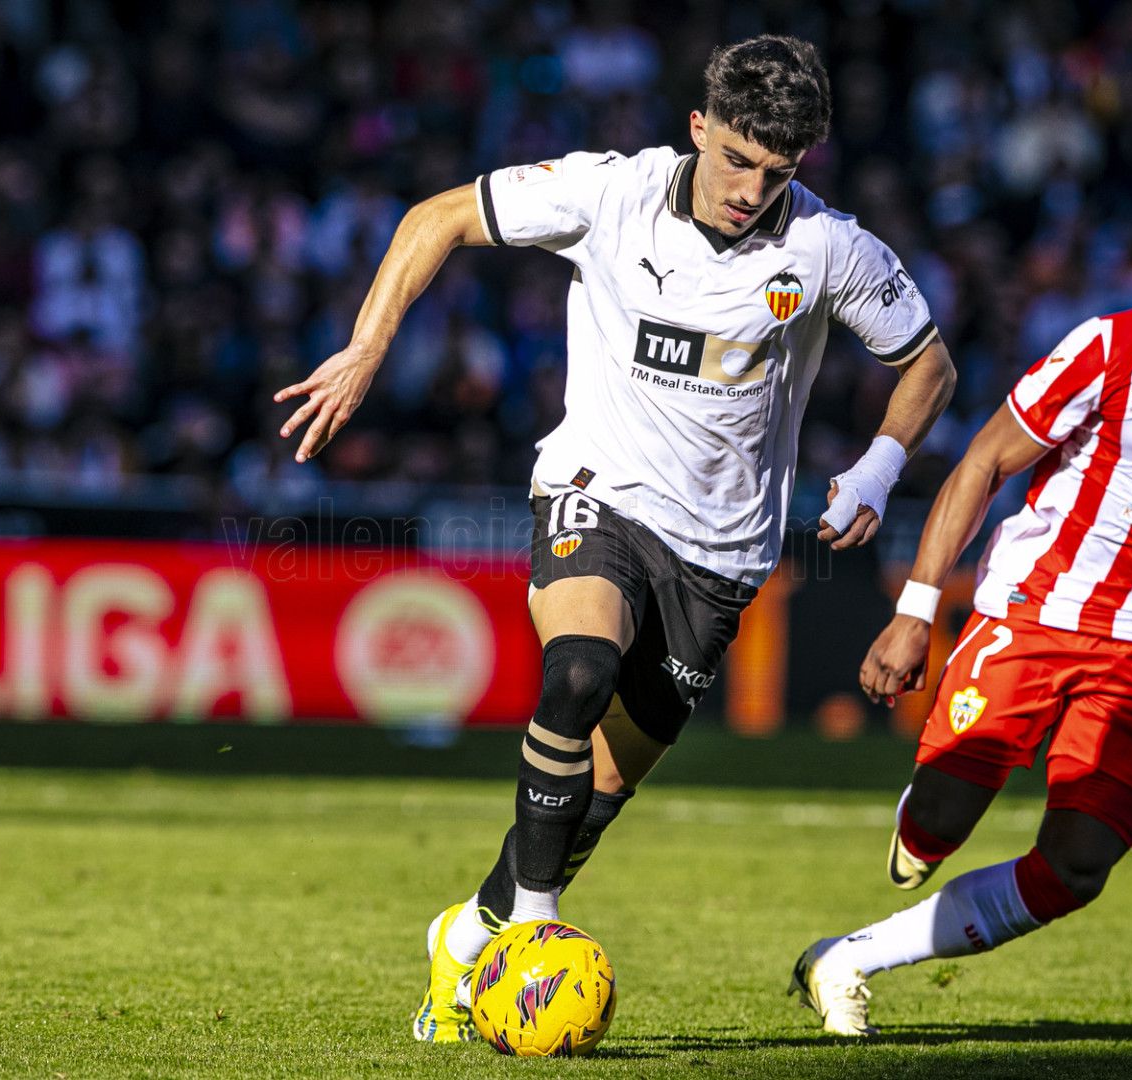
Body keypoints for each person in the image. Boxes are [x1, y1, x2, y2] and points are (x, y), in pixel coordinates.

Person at [273, 35, 957, 1042]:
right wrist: (367, 350)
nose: (749, 190)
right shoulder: (608, 194)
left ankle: (472, 933)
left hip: (720, 557)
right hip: (596, 490)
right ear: (699, 127)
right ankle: (533, 934)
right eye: (736, 160)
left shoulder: (825, 249)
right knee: (579, 668)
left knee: (590, 802)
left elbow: (929, 366)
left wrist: (881, 463)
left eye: (777, 173)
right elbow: (438, 216)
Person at [789, 166, 1132, 1035]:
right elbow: (983, 461)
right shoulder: (1111, 350)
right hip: (1036, 614)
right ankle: (923, 821)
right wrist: (916, 608)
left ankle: (848, 956)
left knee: (1079, 864)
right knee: (938, 819)